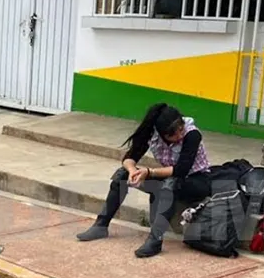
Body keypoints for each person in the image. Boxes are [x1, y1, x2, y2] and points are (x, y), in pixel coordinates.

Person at [75, 103, 214, 258]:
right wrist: (133, 171)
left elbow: (181, 170)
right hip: (171, 177)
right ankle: (101, 225)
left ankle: (155, 241)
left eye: (181, 129)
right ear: (162, 134)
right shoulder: (152, 134)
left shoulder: (192, 135)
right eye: (173, 135)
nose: (179, 135)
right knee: (121, 175)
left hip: (198, 181)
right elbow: (129, 158)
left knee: (170, 184)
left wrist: (149, 172)